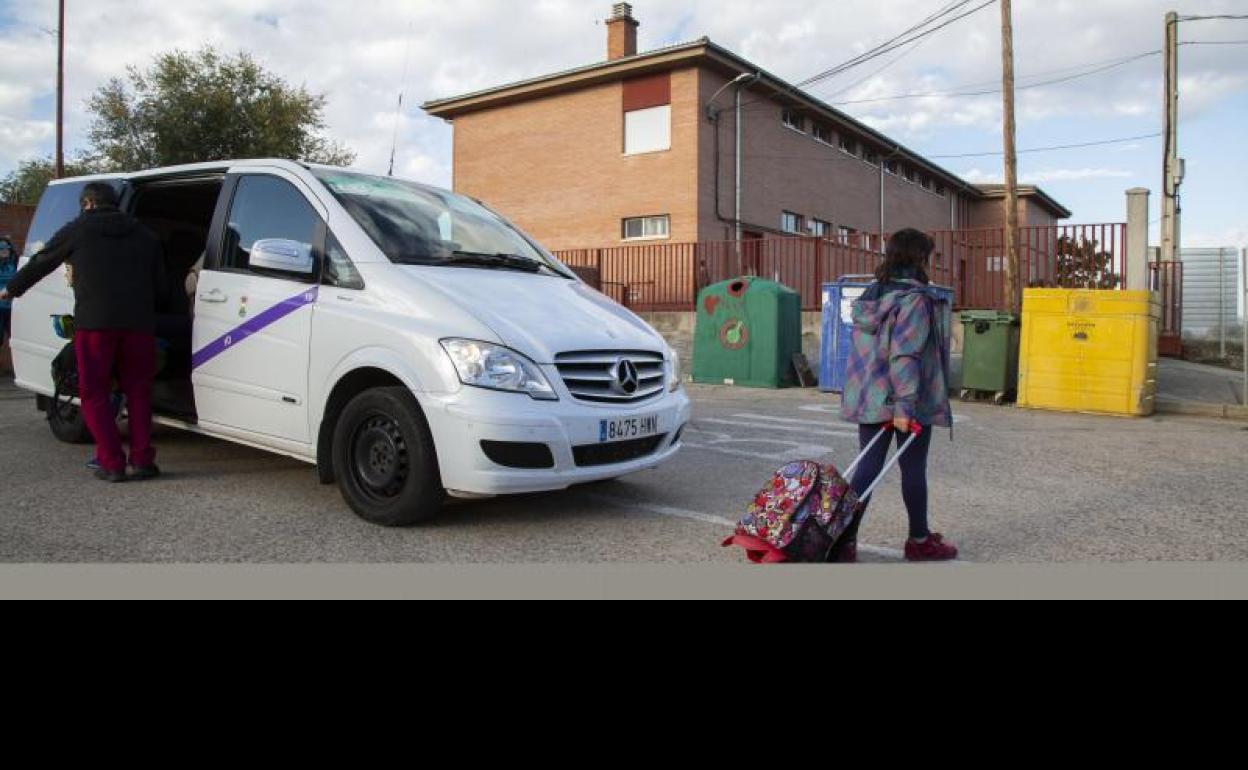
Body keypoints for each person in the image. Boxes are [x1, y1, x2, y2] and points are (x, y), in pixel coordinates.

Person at [0, 183, 167, 483]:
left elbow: (43, 260)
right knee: (139, 392)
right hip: (139, 325)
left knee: (93, 393)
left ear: (88, 203)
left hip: (95, 325)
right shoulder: (146, 235)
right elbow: (161, 287)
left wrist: (12, 289)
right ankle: (142, 461)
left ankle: (112, 462)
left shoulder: (79, 229)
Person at [836, 228, 959, 563]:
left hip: (871, 397)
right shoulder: (915, 299)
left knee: (867, 469)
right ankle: (919, 541)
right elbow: (905, 354)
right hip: (906, 399)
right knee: (913, 468)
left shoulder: (872, 296)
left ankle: (841, 541)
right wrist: (905, 405)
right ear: (920, 258)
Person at [0, 237, 17, 358]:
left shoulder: (15, 262)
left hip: (14, 309)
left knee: (15, 338)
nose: (5, 250)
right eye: (1, 248)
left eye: (7, 248)